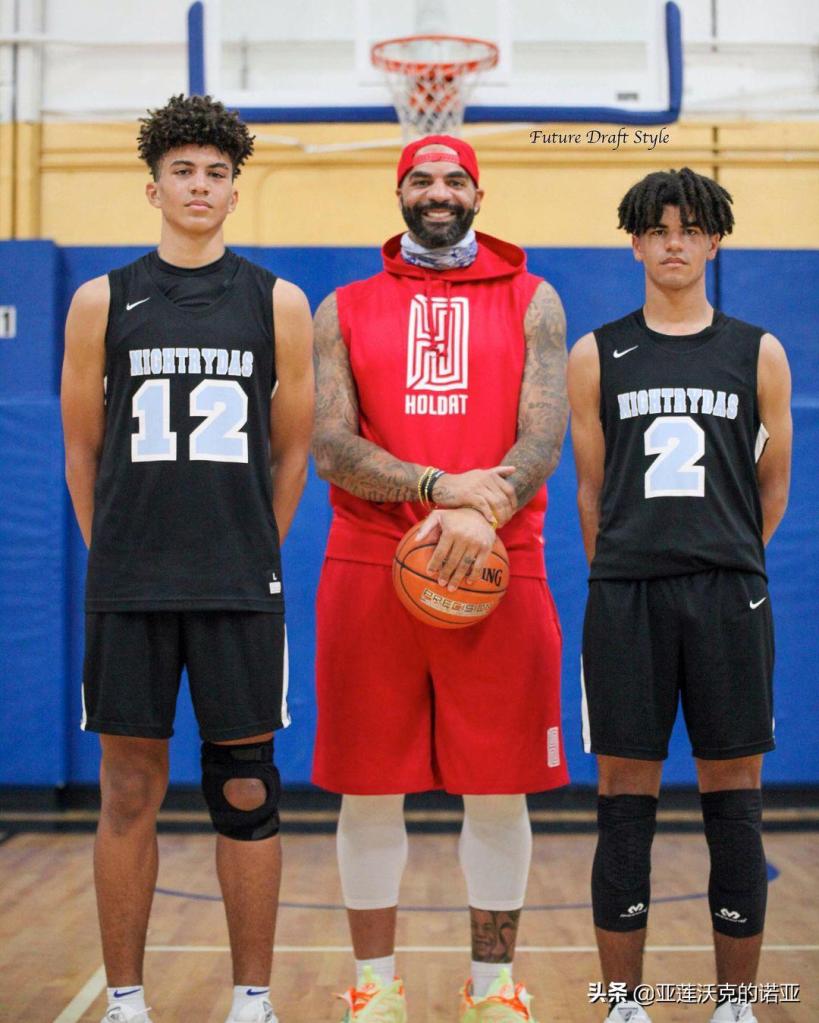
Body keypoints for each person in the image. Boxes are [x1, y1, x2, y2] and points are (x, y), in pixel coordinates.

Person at [60, 94, 313, 1023]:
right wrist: (116, 553)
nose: (199, 186)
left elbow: (292, 451)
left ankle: (252, 999)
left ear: (235, 192)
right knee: (129, 787)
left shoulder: (278, 302)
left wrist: (251, 547)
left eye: (215, 173)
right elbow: (81, 449)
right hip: (130, 584)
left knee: (245, 788)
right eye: (182, 172)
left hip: (238, 584)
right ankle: (127, 1000)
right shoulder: (101, 300)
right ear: (154, 188)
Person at [311, 134, 569, 1023]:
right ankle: (373, 988)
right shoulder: (342, 307)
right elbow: (330, 445)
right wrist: (437, 488)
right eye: (420, 178)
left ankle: (492, 991)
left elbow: (542, 435)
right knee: (368, 785)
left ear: (477, 195)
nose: (437, 191)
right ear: (399, 193)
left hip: (500, 560)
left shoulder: (535, 299)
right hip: (369, 560)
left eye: (454, 178)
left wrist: (479, 509)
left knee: (497, 785)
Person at [567, 168, 792, 1023]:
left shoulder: (757, 351)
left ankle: (733, 1004)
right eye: (656, 229)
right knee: (623, 799)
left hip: (727, 593)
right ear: (634, 243)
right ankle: (623, 1004)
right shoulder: (595, 353)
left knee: (733, 796)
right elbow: (591, 492)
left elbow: (772, 486)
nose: (672, 243)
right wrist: (628, 566)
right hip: (626, 595)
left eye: (689, 228)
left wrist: (721, 555)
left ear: (713, 242)